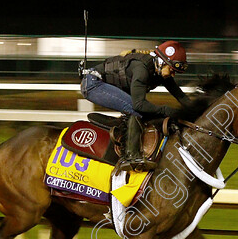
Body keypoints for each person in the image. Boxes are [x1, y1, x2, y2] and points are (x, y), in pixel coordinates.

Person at [80, 40, 191, 171]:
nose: (172, 75)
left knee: (140, 109)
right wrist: (167, 110)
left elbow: (180, 96)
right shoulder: (142, 70)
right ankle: (131, 157)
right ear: (161, 62)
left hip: (101, 83)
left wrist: (197, 110)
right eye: (172, 70)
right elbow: (139, 105)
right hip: (93, 84)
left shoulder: (159, 70)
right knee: (135, 109)